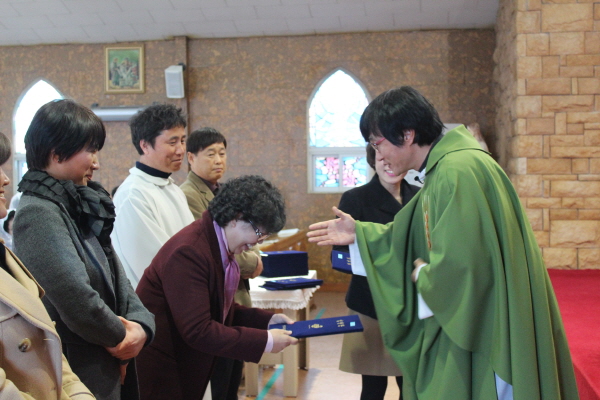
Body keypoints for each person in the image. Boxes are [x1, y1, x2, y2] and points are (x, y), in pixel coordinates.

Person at [307, 86, 579, 400]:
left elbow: (464, 268)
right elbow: (410, 231)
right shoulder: (449, 168)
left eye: (377, 143)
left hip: (490, 326)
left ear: (407, 135)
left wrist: (424, 275)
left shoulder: (456, 172)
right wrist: (362, 234)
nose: (377, 155)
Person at [13, 99, 156, 400]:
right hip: (78, 367)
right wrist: (122, 339)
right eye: (90, 151)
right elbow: (74, 298)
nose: (96, 162)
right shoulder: (38, 212)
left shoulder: (77, 203)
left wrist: (142, 327)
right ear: (56, 153)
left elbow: (117, 279)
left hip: (103, 356)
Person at [135, 175, 298, 400]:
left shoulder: (216, 245)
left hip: (182, 363)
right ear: (236, 217)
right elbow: (198, 330)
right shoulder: (190, 252)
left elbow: (220, 309)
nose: (257, 242)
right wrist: (266, 341)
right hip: (162, 368)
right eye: (259, 233)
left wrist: (267, 321)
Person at [0, 131, 94, 400]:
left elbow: (47, 346)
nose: (6, 179)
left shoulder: (4, 254)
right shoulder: (37, 213)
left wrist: (78, 395)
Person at [180, 127, 263, 400]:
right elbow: (212, 246)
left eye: (222, 153)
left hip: (234, 297)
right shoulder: (188, 195)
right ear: (190, 158)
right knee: (218, 383)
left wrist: (253, 256)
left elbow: (247, 235)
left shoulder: (225, 192)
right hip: (213, 301)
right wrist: (252, 263)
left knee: (231, 382)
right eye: (210, 154)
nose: (218, 160)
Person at [334, 145, 419, 400]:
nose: (388, 164)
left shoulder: (420, 196)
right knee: (373, 386)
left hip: (410, 305)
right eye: (382, 158)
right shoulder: (355, 198)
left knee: (409, 384)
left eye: (393, 158)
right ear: (373, 161)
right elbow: (340, 257)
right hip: (370, 304)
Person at [111, 103, 194, 289]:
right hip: (152, 301)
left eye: (182, 140)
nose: (180, 150)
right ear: (145, 145)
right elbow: (159, 266)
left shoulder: (174, 190)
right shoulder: (133, 196)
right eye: (172, 142)